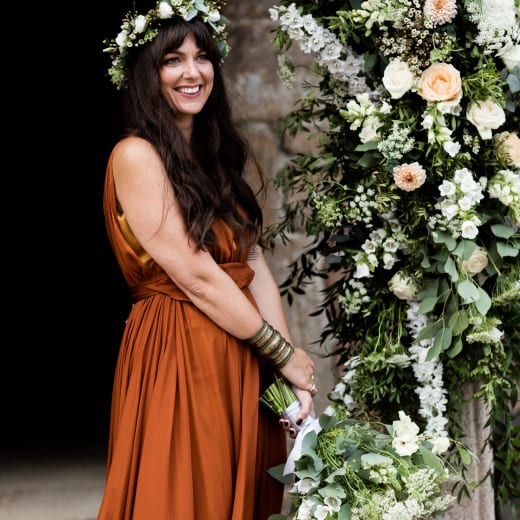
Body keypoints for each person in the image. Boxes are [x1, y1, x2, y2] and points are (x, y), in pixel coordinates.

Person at [98, 1, 318, 519]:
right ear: (147, 73)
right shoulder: (135, 155)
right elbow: (196, 276)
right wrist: (280, 351)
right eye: (172, 59)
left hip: (243, 351)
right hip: (177, 350)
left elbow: (253, 260)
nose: (192, 72)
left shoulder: (217, 157)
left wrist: (287, 367)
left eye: (203, 57)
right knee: (182, 493)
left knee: (241, 497)